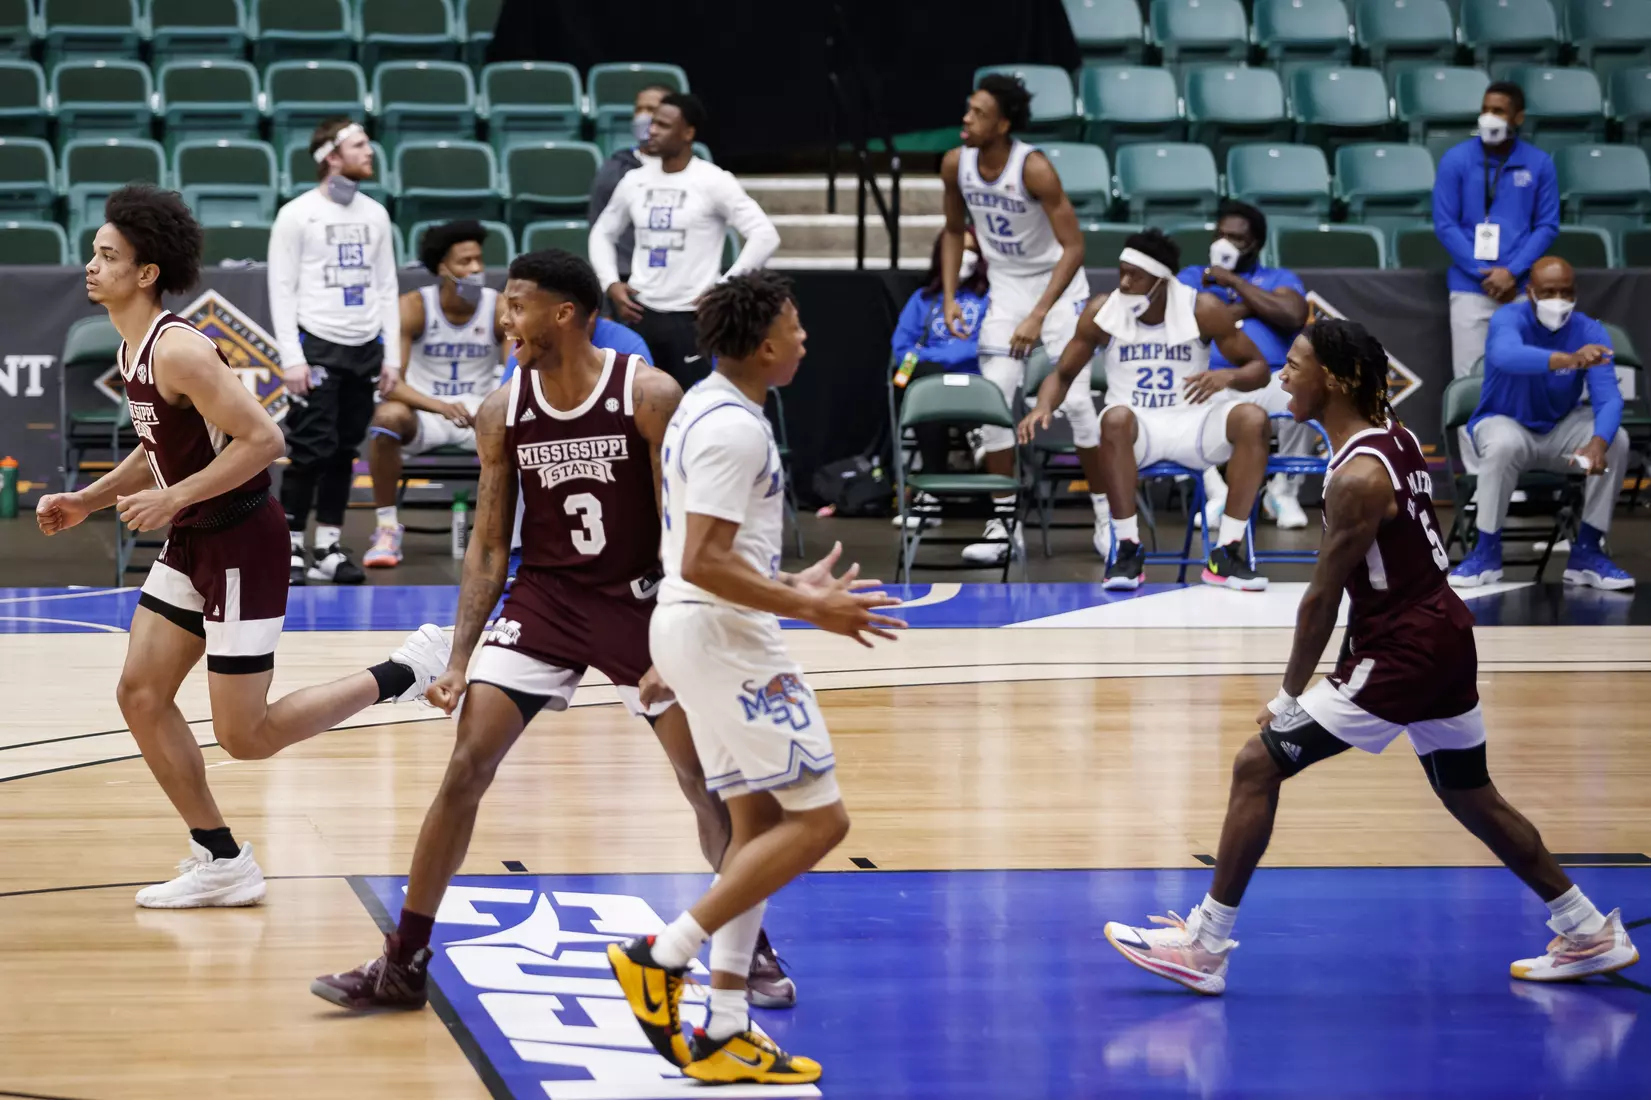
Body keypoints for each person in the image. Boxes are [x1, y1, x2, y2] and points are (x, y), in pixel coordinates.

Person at [310, 252, 802, 1015]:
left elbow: (684, 532)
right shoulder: (502, 408)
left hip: (641, 602)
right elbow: (488, 544)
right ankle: (402, 961)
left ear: (565, 314)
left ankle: (749, 947)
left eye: (517, 305)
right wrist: (463, 657)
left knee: (702, 783)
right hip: (544, 599)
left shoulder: (647, 394)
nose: (504, 320)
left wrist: (681, 640)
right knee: (465, 766)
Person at [1101, 318, 1640, 995]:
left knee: (1254, 765)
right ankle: (1587, 928)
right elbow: (1396, 565)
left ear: (1336, 378)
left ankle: (1204, 946)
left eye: (1294, 364)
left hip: (1406, 649)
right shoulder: (1394, 441)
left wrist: (1288, 696)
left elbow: (1319, 601)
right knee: (1468, 792)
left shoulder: (1355, 476)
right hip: (1439, 632)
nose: (1282, 375)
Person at [36, 185, 447, 907]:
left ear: (146, 273)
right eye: (94, 253)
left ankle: (404, 671)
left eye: (107, 256)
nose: (91, 266)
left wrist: (173, 498)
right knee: (140, 694)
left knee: (246, 736)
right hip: (194, 540)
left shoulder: (183, 350)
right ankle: (220, 858)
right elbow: (159, 447)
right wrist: (86, 500)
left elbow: (265, 441)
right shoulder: (134, 349)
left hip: (239, 544)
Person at [605, 271, 904, 1085]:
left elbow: (696, 560)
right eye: (796, 328)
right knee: (822, 823)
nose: (805, 340)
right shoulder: (734, 428)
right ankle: (661, 955)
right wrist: (815, 608)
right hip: (724, 634)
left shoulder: (706, 405)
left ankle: (726, 1022)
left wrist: (679, 650)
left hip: (698, 629)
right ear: (765, 345)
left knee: (758, 822)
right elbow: (706, 560)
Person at [1020, 229, 1273, 591]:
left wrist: (1227, 376)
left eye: (1134, 276)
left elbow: (1259, 369)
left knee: (1253, 418)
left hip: (1193, 424)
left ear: (1160, 280)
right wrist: (1042, 406)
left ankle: (1227, 553)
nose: (1124, 282)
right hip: (1138, 430)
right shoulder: (1103, 310)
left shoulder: (1201, 308)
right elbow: (1062, 373)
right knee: (1115, 418)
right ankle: (1126, 549)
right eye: (1121, 272)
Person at [941, 73, 1108, 565]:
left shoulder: (1032, 168)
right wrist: (950, 297)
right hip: (1007, 286)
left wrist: (1040, 314)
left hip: (1055, 287)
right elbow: (952, 231)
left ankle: (1110, 522)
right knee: (993, 402)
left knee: (1076, 405)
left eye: (978, 113)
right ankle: (1003, 524)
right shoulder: (956, 164)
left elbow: (1075, 248)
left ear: (1004, 123)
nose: (966, 120)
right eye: (967, 109)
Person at [268, 117, 402, 586]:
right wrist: (291, 356)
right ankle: (286, 547)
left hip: (366, 347)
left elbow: (387, 286)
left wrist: (393, 357)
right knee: (310, 449)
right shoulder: (296, 214)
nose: (371, 151)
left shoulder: (376, 214)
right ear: (330, 156)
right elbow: (281, 288)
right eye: (359, 144)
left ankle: (326, 545)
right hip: (317, 343)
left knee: (345, 449)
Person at [1449, 256, 1633, 591]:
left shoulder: (1591, 330)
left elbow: (1608, 398)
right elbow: (1507, 355)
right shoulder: (1508, 318)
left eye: (1566, 292)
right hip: (1506, 423)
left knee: (1617, 439)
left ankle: (1588, 553)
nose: (1558, 301)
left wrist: (1598, 442)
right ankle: (1486, 553)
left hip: (1561, 431)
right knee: (1503, 444)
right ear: (1530, 292)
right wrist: (1570, 359)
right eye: (1549, 292)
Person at [590, 92, 780, 389]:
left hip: (692, 318)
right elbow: (602, 232)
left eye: (663, 125)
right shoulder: (635, 180)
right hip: (641, 313)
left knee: (690, 402)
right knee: (638, 405)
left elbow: (765, 235)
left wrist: (725, 287)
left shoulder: (713, 180)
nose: (651, 130)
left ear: (688, 133)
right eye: (652, 123)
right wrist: (610, 282)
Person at [364, 220, 506, 569]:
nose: (475, 269)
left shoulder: (499, 306)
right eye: (465, 262)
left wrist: (490, 407)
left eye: (478, 260)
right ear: (443, 268)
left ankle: (509, 534)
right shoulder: (414, 306)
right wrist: (440, 406)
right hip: (428, 411)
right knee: (386, 419)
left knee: (521, 423)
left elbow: (514, 377)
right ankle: (385, 528)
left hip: (482, 414)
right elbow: (391, 383)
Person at [1433, 81, 1559, 472]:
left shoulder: (1538, 163)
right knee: (1471, 383)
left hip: (1520, 291)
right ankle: (1476, 478)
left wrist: (1513, 271)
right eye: (1486, 108)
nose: (1490, 117)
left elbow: (1547, 225)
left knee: (1522, 379)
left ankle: (1515, 472)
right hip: (1469, 290)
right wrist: (1479, 270)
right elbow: (1444, 223)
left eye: (1500, 111)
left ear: (1518, 117)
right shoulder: (1456, 159)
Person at [1178, 200, 1312, 530]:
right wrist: (1247, 308)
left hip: (1270, 381)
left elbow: (1293, 315)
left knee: (1309, 391)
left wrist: (1235, 284)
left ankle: (1282, 492)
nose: (1224, 244)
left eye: (1236, 238)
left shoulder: (1277, 277)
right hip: (1213, 380)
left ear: (1255, 245)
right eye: (1220, 234)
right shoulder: (1195, 277)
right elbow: (1180, 321)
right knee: (1185, 398)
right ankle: (1218, 494)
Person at [890, 227, 990, 497]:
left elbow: (980, 345)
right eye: (959, 250)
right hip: (928, 381)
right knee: (927, 384)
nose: (964, 256)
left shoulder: (987, 299)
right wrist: (945, 359)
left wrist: (936, 358)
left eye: (971, 250)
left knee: (931, 383)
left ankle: (930, 495)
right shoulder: (922, 300)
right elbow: (902, 349)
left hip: (972, 382)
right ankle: (973, 438)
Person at [587, 82, 675, 288]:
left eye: (651, 110)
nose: (642, 116)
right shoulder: (614, 170)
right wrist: (612, 282)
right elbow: (600, 232)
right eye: (639, 109)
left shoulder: (699, 174)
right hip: (627, 280)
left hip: (678, 282)